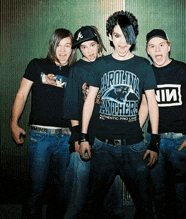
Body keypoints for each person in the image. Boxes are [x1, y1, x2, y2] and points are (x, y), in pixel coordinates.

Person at [78, 11, 160, 219]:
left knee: (145, 206)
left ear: (134, 36)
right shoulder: (101, 64)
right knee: (92, 205)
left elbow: (152, 103)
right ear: (110, 37)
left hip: (134, 147)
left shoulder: (143, 65)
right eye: (117, 36)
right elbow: (89, 101)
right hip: (102, 146)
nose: (122, 42)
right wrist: (83, 137)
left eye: (127, 35)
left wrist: (154, 143)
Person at [10, 28, 76, 219]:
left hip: (66, 139)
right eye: (58, 46)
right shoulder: (37, 65)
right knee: (35, 191)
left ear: (73, 49)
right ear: (52, 46)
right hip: (40, 138)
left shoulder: (76, 71)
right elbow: (22, 95)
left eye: (67, 46)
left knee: (61, 193)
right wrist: (14, 123)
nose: (62, 51)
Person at [63, 25, 123, 219]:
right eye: (83, 47)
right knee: (79, 189)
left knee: (110, 188)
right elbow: (72, 105)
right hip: (85, 136)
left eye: (92, 45)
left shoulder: (109, 64)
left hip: (107, 137)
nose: (89, 51)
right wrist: (79, 138)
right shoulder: (77, 69)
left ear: (99, 44)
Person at [145, 29, 186, 219]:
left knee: (182, 197)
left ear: (169, 47)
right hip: (155, 142)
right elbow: (144, 105)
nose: (157, 50)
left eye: (161, 45)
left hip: (181, 141)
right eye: (152, 46)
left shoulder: (182, 69)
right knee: (158, 195)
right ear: (147, 50)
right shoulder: (147, 73)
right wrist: (135, 135)